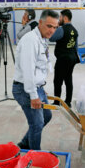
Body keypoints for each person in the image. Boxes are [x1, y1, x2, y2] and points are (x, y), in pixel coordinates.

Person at [12, 9, 58, 150]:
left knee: (47, 115)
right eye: (49, 26)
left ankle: (26, 142)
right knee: (36, 124)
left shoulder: (42, 39)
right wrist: (33, 95)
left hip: (38, 87)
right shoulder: (30, 40)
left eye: (55, 27)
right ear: (40, 22)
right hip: (25, 88)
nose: (52, 31)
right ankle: (35, 159)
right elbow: (28, 71)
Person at [49, 9, 80, 108]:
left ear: (65, 18)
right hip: (72, 59)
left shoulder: (61, 29)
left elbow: (51, 38)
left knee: (57, 81)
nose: (59, 19)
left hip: (62, 59)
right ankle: (68, 102)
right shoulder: (75, 30)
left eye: (60, 17)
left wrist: (55, 27)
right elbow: (76, 46)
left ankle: (57, 102)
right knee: (68, 80)